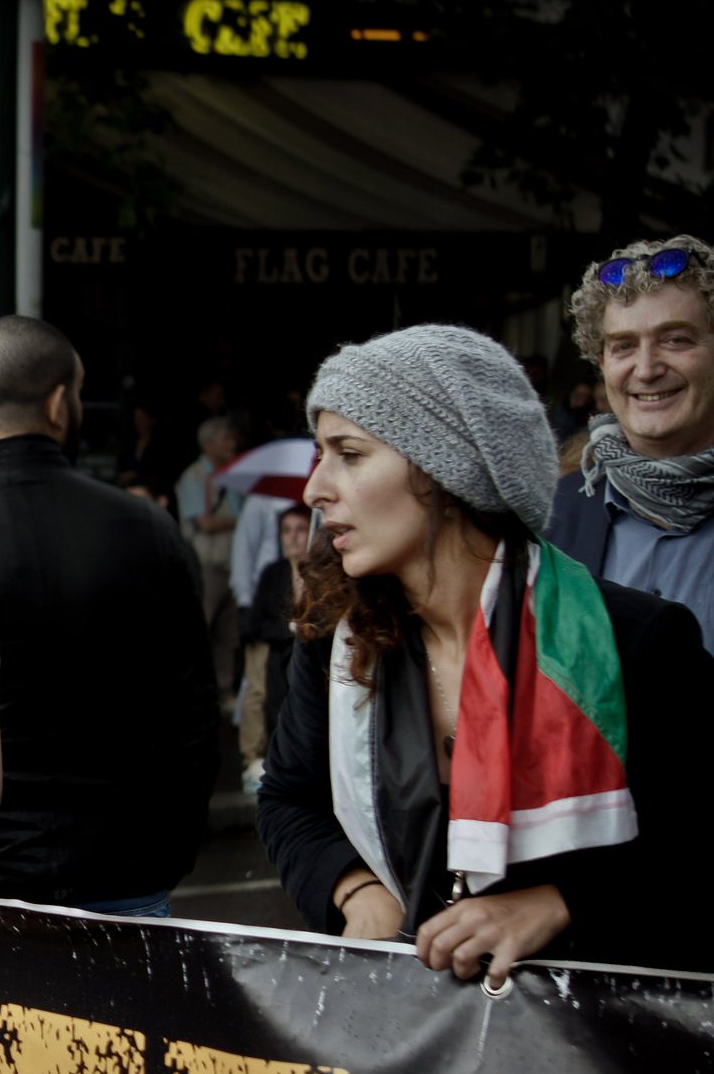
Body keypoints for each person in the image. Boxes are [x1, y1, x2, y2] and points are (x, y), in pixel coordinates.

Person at [259, 324, 714, 979]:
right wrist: (353, 890)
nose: (315, 487)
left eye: (349, 453)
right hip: (405, 1040)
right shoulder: (339, 638)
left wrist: (561, 902)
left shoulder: (637, 642)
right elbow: (288, 801)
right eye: (320, 452)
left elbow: (696, 849)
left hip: (591, 1054)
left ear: (447, 470)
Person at [0, 316, 217, 914]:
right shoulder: (148, 530)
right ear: (60, 403)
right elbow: (193, 712)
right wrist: (171, 852)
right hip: (127, 867)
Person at [551, 235, 714, 653]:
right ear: (601, 363)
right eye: (623, 346)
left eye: (675, 339)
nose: (646, 369)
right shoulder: (548, 523)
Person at [236, 501, 312, 791]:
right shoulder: (273, 573)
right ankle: (254, 759)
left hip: (303, 650)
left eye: (300, 530)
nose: (292, 537)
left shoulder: (317, 573)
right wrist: (288, 629)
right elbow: (257, 620)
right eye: (286, 530)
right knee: (259, 684)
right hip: (274, 647)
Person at [176, 415, 246, 702]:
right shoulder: (193, 477)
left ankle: (225, 691)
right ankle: (194, 693)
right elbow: (205, 523)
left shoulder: (236, 475)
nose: (232, 443)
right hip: (207, 566)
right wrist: (239, 519)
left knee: (228, 635)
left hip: (233, 565)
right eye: (225, 438)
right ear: (208, 444)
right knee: (200, 631)